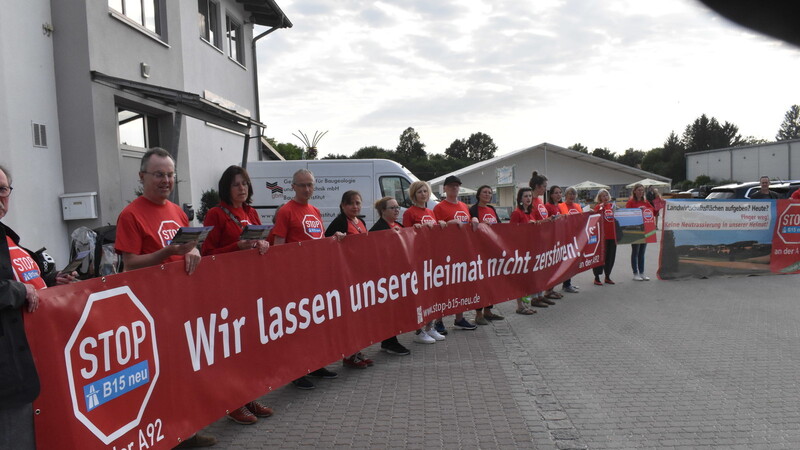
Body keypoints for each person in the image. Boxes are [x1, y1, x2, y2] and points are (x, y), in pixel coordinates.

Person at [114, 148, 216, 448]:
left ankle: (189, 431)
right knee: (163, 379)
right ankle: (168, 437)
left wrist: (194, 249)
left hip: (182, 305)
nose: (165, 180)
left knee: (186, 372)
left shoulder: (176, 211)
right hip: (152, 311)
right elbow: (129, 264)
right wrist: (167, 253)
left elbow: (192, 247)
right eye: (159, 174)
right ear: (142, 176)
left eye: (170, 175)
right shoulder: (130, 215)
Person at [0, 165, 77, 450]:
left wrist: (50, 280)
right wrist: (21, 290)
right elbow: (17, 288)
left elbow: (24, 282)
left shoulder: (8, 236)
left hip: (34, 361)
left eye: (3, 189)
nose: (0, 197)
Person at [200, 165, 273, 426]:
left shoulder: (252, 212)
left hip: (249, 288)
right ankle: (232, 402)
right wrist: (237, 247)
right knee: (231, 348)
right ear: (225, 188)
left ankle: (248, 395)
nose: (242, 188)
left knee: (250, 346)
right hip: (225, 290)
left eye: (245, 183)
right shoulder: (216, 214)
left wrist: (262, 244)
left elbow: (259, 243)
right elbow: (207, 254)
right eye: (236, 184)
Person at [271, 169, 340, 389]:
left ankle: (315, 364)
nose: (307, 189)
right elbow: (278, 246)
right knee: (297, 327)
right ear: (293, 187)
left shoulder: (315, 210)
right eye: (302, 185)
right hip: (294, 280)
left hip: (314, 278)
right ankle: (296, 371)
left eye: (310, 184)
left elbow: (318, 242)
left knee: (314, 324)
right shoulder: (286, 211)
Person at [325, 190, 375, 369]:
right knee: (350, 317)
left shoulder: (360, 222)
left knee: (359, 316)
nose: (355, 206)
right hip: (346, 277)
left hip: (360, 275)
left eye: (358, 203)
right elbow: (327, 243)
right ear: (343, 205)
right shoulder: (340, 222)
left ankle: (357, 351)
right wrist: (336, 239)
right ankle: (349, 355)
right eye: (351, 203)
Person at [403, 180, 447, 344]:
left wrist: (441, 224)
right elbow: (406, 235)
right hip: (418, 259)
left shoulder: (431, 211)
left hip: (431, 258)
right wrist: (416, 230)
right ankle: (419, 331)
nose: (423, 194)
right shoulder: (409, 213)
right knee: (420, 296)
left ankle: (430, 327)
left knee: (431, 295)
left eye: (425, 191)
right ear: (414, 194)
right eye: (420, 192)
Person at [432, 176, 478, 332]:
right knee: (443, 287)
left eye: (457, 186)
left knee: (460, 286)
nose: (454, 188)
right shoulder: (439, 207)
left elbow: (469, 222)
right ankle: (438, 320)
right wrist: (448, 224)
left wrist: (475, 219)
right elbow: (435, 229)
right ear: (444, 188)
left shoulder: (464, 205)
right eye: (451, 186)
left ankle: (459, 318)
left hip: (462, 252)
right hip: (446, 253)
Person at [369, 197, 410, 356]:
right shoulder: (377, 230)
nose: (396, 210)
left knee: (396, 309)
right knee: (388, 311)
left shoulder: (399, 225)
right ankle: (389, 341)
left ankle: (391, 340)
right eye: (392, 207)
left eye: (397, 207)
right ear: (382, 211)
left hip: (398, 276)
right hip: (385, 277)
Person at [468, 185, 506, 324]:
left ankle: (488, 311)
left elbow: (500, 226)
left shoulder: (491, 209)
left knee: (492, 282)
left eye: (489, 193)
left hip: (492, 251)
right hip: (479, 251)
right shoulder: (473, 209)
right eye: (484, 192)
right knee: (480, 283)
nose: (487, 194)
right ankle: (478, 314)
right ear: (478, 194)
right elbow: (471, 228)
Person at [528, 172, 556, 308]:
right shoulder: (530, 201)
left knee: (542, 268)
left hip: (543, 238)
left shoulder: (539, 200)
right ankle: (534, 297)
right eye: (544, 186)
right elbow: (531, 222)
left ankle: (540, 295)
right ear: (538, 186)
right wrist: (547, 220)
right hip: (535, 240)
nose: (546, 189)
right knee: (535, 269)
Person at [509, 187, 537, 315]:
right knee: (521, 279)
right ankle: (520, 306)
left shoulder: (531, 212)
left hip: (530, 249)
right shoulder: (517, 213)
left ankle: (526, 304)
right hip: (520, 251)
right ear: (520, 198)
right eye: (525, 196)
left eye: (530, 196)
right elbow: (512, 232)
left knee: (528, 279)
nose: (528, 198)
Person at [557, 186, 582, 294]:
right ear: (565, 195)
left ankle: (568, 283)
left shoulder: (577, 206)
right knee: (566, 262)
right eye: (570, 194)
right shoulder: (560, 206)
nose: (572, 196)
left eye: (574, 194)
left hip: (576, 238)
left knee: (572, 262)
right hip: (565, 238)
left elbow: (582, 219)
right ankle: (566, 284)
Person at [592, 189, 617, 286]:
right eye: (603, 196)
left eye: (606, 195)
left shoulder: (612, 206)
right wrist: (600, 208)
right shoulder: (598, 207)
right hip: (602, 237)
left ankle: (607, 276)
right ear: (599, 198)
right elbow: (594, 219)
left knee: (610, 257)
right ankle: (597, 277)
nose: (605, 197)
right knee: (600, 257)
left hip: (612, 236)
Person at [627, 183, 651, 281]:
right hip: (635, 229)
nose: (641, 192)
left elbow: (653, 210)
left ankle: (642, 272)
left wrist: (647, 209)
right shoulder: (631, 202)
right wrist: (636, 210)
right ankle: (635, 273)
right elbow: (627, 213)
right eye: (639, 190)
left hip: (645, 229)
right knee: (635, 251)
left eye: (642, 190)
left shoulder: (645, 201)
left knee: (642, 252)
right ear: (635, 191)